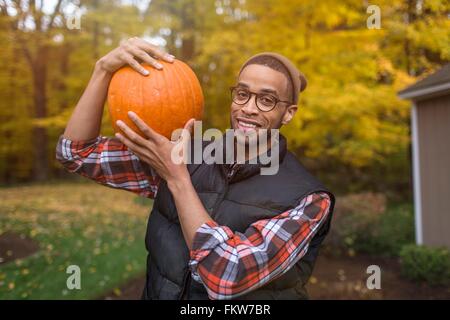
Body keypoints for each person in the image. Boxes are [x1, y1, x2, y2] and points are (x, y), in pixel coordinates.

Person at [56, 37, 335, 300]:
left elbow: (227, 275)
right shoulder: (184, 153)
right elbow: (78, 154)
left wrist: (177, 178)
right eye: (242, 94)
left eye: (267, 100)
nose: (249, 108)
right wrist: (103, 71)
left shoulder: (308, 199)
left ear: (289, 112)